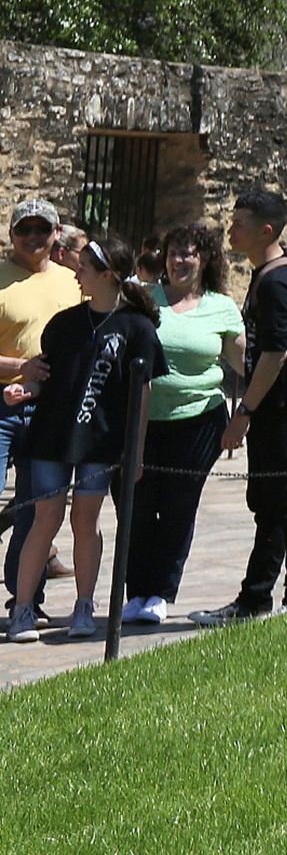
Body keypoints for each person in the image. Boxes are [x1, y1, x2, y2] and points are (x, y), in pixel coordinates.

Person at [6, 237, 163, 643]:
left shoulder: (137, 328)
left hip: (101, 442)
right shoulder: (64, 324)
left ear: (107, 274)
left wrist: (137, 450)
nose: (76, 274)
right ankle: (22, 609)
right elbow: (47, 378)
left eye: (85, 268)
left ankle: (83, 606)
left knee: (85, 520)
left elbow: (142, 395)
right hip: (51, 437)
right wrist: (25, 389)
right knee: (45, 519)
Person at [189, 190, 287, 627]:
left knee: (285, 496)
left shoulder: (276, 282)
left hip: (282, 404)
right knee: (268, 500)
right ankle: (255, 598)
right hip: (277, 401)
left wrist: (243, 412)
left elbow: (275, 354)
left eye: (239, 223)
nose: (231, 229)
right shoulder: (269, 273)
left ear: (266, 230)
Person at [123, 223, 239, 627]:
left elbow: (247, 363)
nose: (180, 260)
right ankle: (135, 591)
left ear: (205, 259)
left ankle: (159, 593)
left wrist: (252, 410)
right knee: (134, 508)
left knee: (177, 508)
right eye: (174, 252)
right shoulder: (143, 299)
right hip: (141, 421)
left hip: (199, 423)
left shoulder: (221, 307)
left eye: (189, 252)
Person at [0, 199, 81, 619]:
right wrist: (19, 369)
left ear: (56, 233)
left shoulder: (72, 281)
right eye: (24, 229)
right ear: (11, 234)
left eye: (41, 229)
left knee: (36, 510)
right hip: (1, 408)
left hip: (50, 410)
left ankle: (25, 599)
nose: (33, 237)